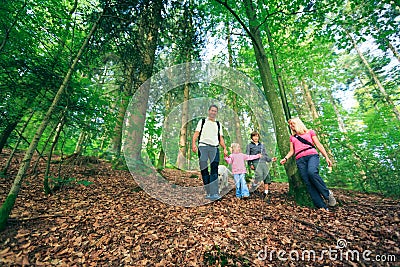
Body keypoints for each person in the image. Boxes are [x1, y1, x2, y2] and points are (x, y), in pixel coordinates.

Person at [280, 117, 336, 211]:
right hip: (300, 159)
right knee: (308, 182)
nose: (291, 126)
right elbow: (291, 151)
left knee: (312, 173)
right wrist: (285, 158)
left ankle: (327, 194)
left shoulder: (310, 132)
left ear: (298, 123)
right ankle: (322, 206)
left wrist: (326, 157)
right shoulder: (292, 137)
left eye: (293, 123)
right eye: (290, 125)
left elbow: (318, 144)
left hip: (312, 155)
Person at [192, 105, 228, 201]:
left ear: (216, 113)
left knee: (214, 169)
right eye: (212, 110)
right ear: (209, 111)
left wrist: (224, 148)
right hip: (203, 147)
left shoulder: (218, 124)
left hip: (214, 148)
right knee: (204, 169)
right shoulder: (202, 121)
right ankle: (208, 192)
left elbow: (221, 138)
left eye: (215, 111)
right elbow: (196, 133)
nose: (213, 112)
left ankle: (214, 193)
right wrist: (193, 144)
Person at [246, 131, 277, 201]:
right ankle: (253, 186)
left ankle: (266, 193)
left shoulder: (262, 145)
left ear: (259, 137)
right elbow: (247, 156)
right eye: (254, 136)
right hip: (255, 161)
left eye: (257, 136)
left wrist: (271, 159)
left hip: (263, 162)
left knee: (267, 176)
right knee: (259, 175)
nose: (256, 138)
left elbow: (265, 155)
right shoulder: (249, 145)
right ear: (252, 137)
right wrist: (250, 164)